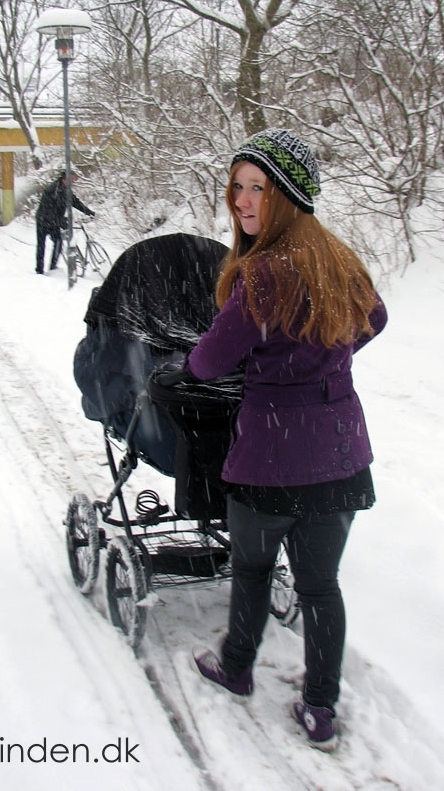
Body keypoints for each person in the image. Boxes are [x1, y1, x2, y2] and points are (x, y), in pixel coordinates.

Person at [186, 129, 388, 751]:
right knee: (320, 585)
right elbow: (376, 319)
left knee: (250, 566)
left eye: (258, 190)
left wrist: (272, 371)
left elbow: (206, 365)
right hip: (339, 452)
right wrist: (325, 360)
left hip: (271, 455)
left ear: (289, 197)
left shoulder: (262, 274)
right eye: (238, 188)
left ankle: (237, 666)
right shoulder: (338, 258)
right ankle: (320, 708)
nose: (242, 202)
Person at [35, 170, 94, 274]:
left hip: (54, 221)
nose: (73, 182)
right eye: (72, 179)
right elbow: (48, 209)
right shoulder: (53, 189)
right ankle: (39, 270)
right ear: (65, 178)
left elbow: (75, 202)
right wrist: (61, 221)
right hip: (43, 221)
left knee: (58, 242)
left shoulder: (67, 190)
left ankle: (53, 268)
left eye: (74, 179)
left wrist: (88, 212)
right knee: (41, 246)